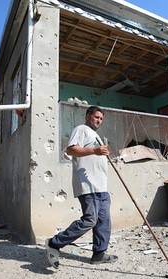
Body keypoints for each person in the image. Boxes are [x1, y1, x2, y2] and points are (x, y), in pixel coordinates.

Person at [45, 105, 118, 269]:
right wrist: (95, 151)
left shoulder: (96, 135)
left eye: (101, 119)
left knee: (103, 221)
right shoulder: (82, 129)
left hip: (101, 186)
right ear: (88, 116)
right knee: (90, 220)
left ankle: (99, 254)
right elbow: (71, 150)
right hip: (88, 186)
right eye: (96, 117)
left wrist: (101, 153)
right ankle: (54, 243)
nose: (99, 120)